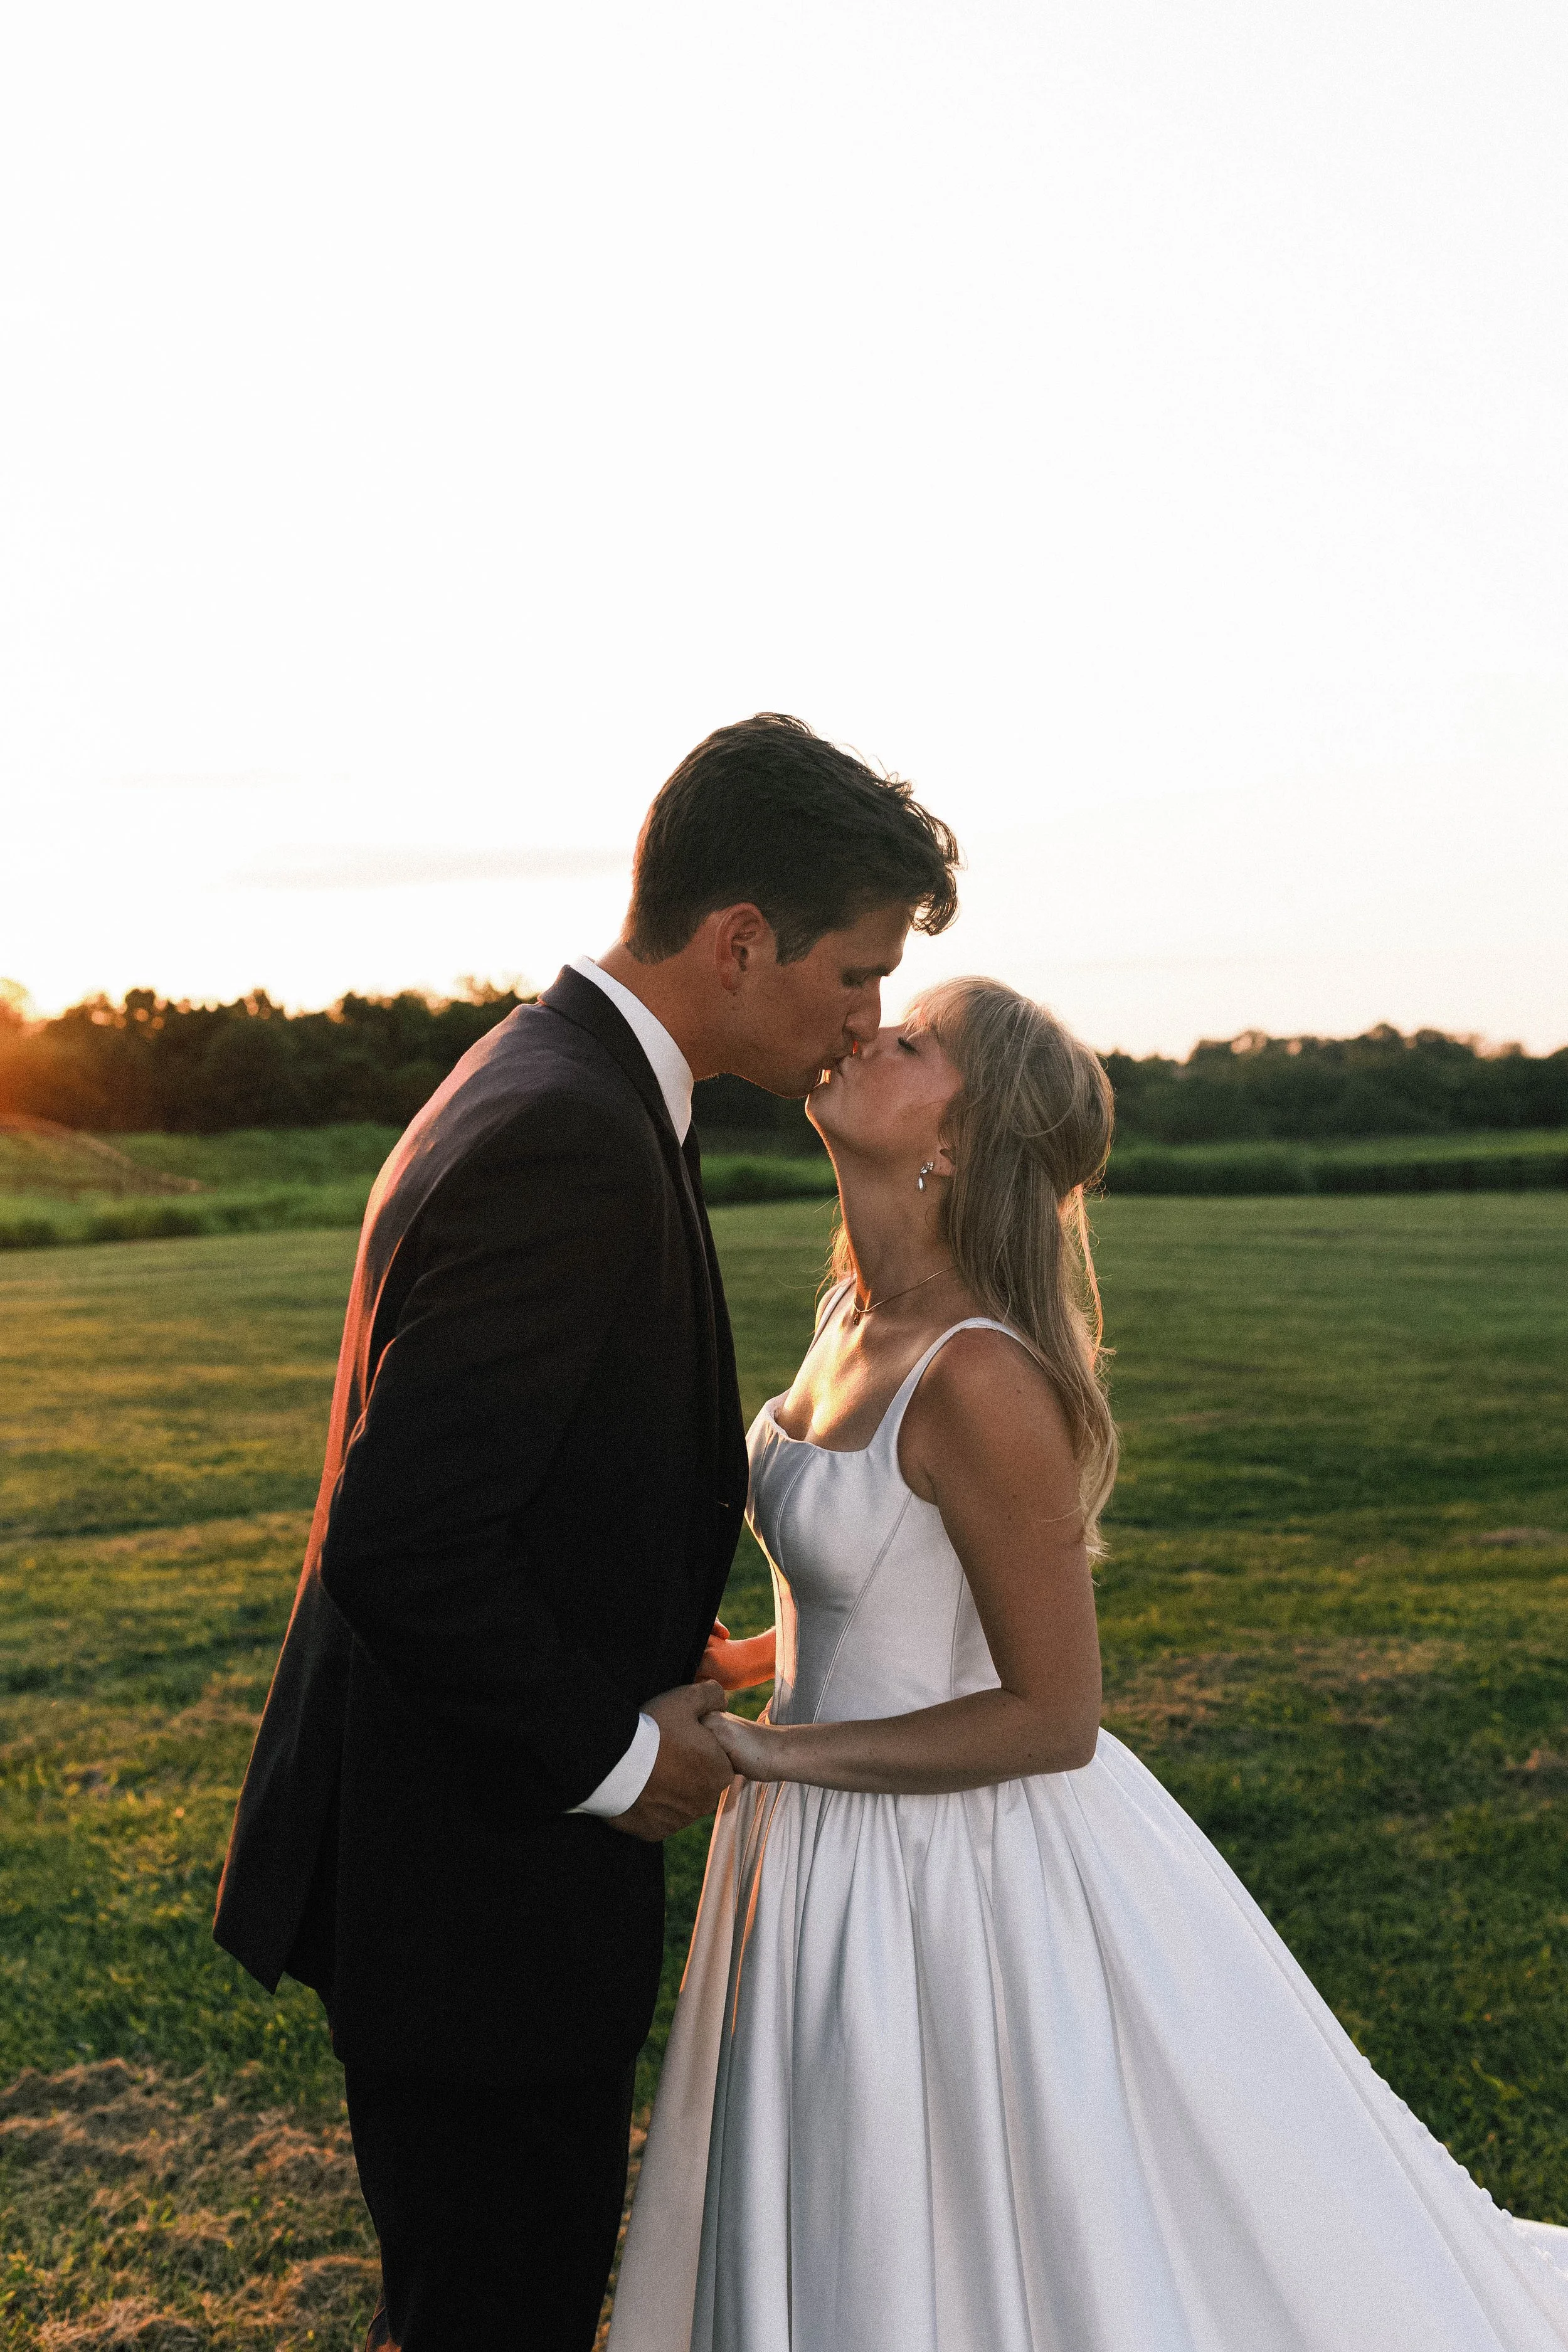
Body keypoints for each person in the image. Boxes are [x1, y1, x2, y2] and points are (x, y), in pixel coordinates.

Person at [609, 976, 1568, 2352]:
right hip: (820, 1835)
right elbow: (890, 1582)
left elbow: (1051, 1717)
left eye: (916, 1040)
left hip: (947, 1867)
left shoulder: (981, 1377)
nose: (869, 1032)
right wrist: (764, 1657)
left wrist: (768, 1749)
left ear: (961, 1140)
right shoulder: (844, 1310)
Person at [211, 713, 960, 2351]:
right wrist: (626, 1756)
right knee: (501, 2309)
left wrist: (663, 1638)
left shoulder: (559, 1071)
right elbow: (402, 1536)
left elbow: (521, 1478)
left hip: (451, 1861)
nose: (867, 1016)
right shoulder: (570, 1127)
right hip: (473, 1882)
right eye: (853, 973)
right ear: (739, 939)